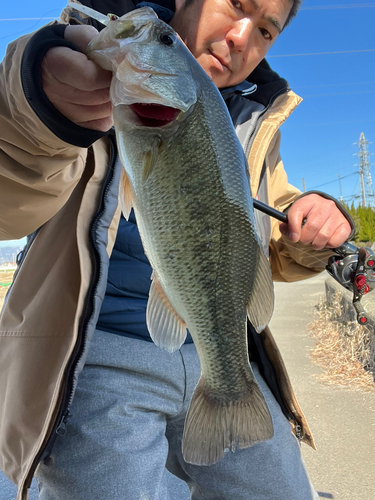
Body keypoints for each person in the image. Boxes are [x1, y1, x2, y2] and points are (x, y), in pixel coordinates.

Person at [0, 0, 353, 499]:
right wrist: (37, 105)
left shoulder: (255, 119)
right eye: (236, 5)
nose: (240, 37)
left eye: (266, 32)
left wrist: (316, 220)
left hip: (223, 354)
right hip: (93, 356)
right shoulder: (70, 61)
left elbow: (272, 242)